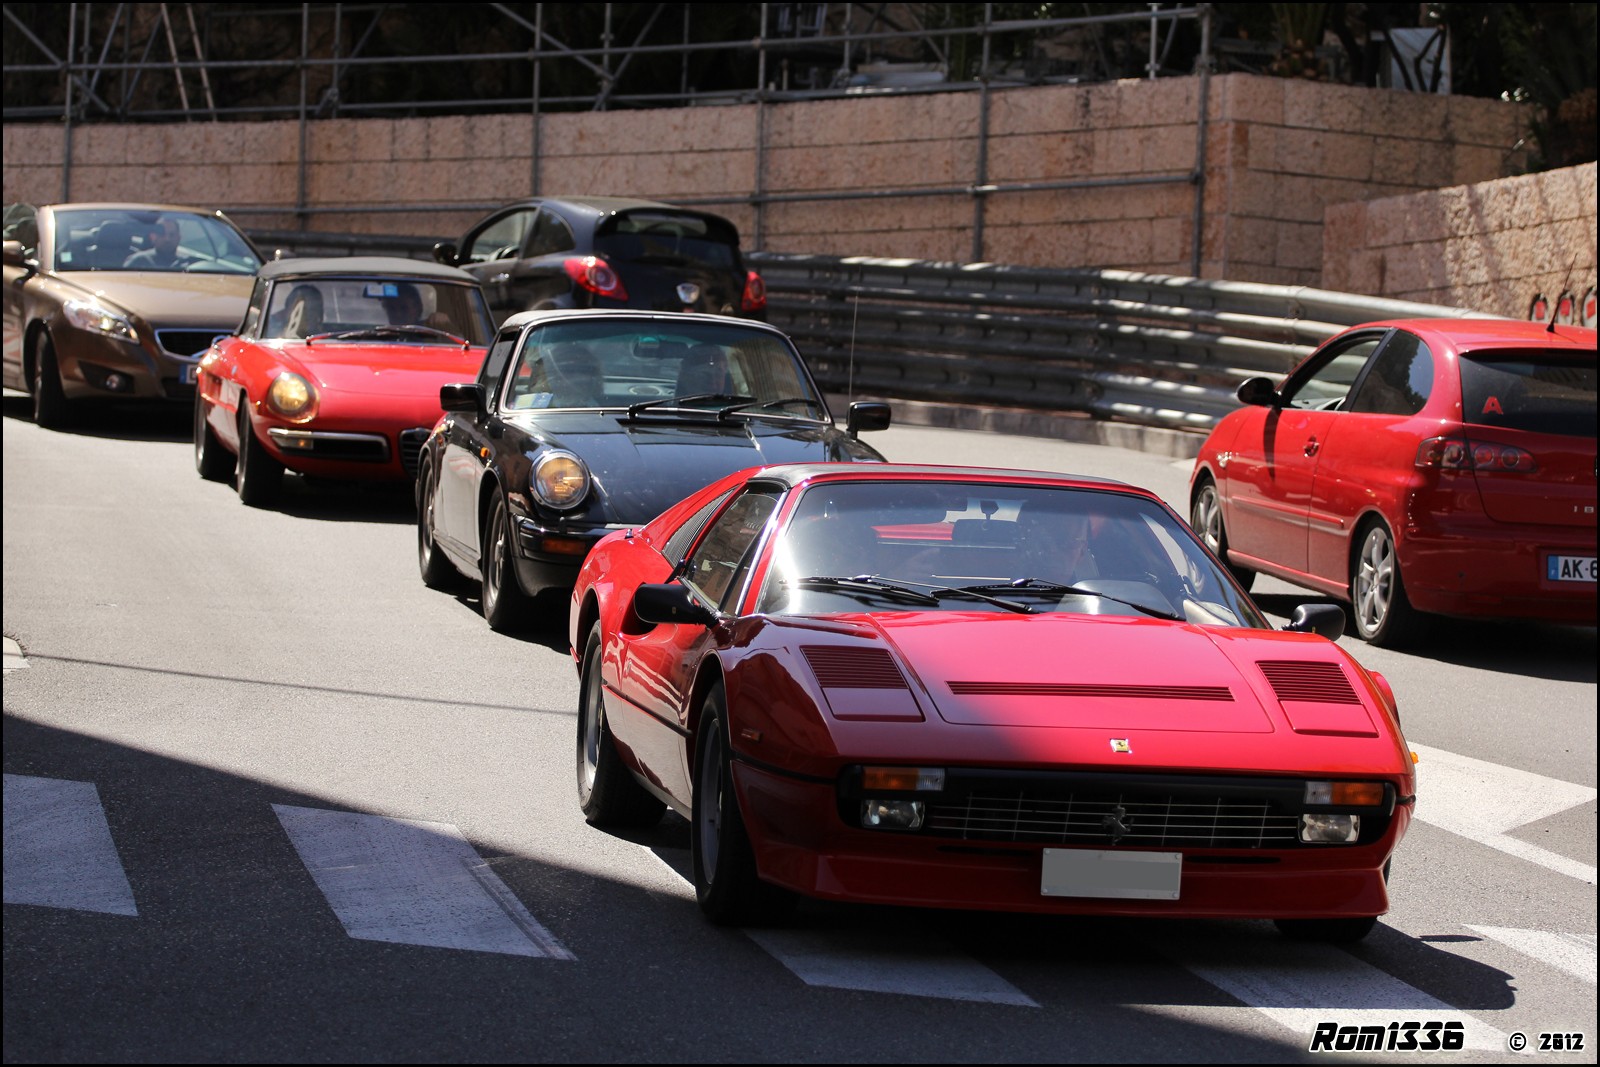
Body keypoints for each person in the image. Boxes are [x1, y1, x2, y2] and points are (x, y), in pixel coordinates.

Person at [121, 216, 193, 270]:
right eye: (162, 234)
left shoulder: (190, 264)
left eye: (172, 235)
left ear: (179, 238)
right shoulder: (138, 261)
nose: (167, 239)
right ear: (153, 237)